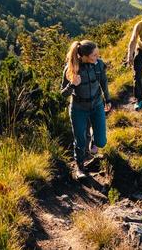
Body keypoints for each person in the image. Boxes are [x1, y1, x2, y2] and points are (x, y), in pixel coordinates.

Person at [60, 39, 111, 180]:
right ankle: (80, 167)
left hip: (96, 105)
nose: (97, 57)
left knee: (101, 142)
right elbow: (62, 94)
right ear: (84, 56)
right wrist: (72, 85)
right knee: (80, 140)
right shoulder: (71, 69)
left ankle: (94, 140)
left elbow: (104, 82)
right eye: (94, 55)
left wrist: (108, 99)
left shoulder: (99, 65)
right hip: (78, 109)